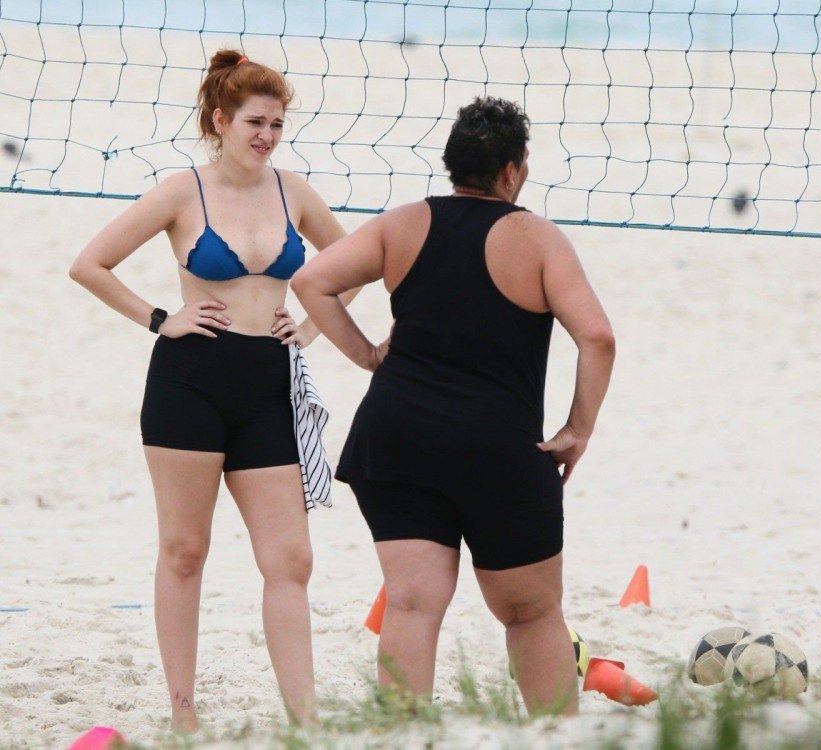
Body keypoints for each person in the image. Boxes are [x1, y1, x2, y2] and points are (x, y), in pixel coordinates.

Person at [291, 96, 616, 715]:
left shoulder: (402, 223)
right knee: (530, 612)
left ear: (452, 164)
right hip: (495, 447)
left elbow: (311, 282)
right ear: (514, 170)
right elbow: (597, 337)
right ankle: (556, 737)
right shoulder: (536, 236)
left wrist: (366, 355)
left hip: (397, 436)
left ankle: (403, 737)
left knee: (412, 602)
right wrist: (578, 427)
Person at [69, 50, 353, 730]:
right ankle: (183, 712)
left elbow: (353, 264)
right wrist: (162, 320)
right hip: (189, 381)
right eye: (256, 121)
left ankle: (305, 720)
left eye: (278, 124)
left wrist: (312, 328)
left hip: (267, 383)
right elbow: (89, 264)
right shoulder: (180, 192)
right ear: (221, 120)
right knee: (184, 550)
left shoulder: (294, 191)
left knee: (291, 558)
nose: (268, 135)